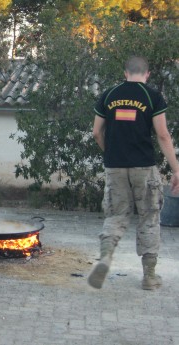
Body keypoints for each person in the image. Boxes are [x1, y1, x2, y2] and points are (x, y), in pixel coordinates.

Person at [88, 56, 179, 290]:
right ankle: (149, 277)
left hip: (115, 167)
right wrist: (176, 169)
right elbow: (162, 135)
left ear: (125, 72)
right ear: (147, 74)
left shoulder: (108, 95)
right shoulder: (152, 96)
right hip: (144, 168)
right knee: (149, 219)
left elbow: (97, 132)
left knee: (115, 216)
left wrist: (111, 153)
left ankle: (106, 257)